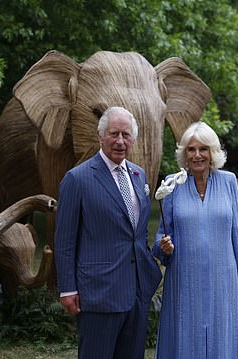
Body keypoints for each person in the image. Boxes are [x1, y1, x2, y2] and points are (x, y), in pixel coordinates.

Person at [55, 106, 163, 359]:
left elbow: (137, 232)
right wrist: (67, 288)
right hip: (98, 293)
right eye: (114, 134)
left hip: (137, 292)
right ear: (100, 136)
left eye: (126, 135)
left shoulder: (139, 175)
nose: (120, 141)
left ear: (133, 139)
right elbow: (64, 242)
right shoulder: (77, 179)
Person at [152, 121, 238, 359]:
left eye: (203, 149)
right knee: (185, 334)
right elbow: (161, 238)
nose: (197, 155)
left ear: (212, 153)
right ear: (184, 154)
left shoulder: (228, 182)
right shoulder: (172, 184)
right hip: (184, 278)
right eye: (191, 149)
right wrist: (164, 246)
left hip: (223, 278)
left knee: (221, 335)